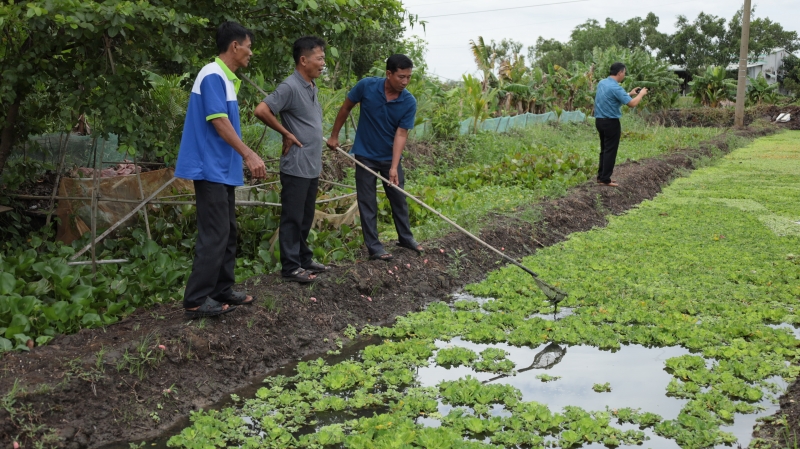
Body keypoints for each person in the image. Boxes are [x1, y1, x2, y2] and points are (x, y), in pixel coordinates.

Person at [174, 22, 266, 318]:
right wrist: (249, 154)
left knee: (227, 232)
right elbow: (218, 121)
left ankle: (221, 290)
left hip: (222, 169)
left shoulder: (226, 79)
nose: (251, 53)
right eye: (249, 47)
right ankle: (196, 300)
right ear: (235, 46)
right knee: (214, 234)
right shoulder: (212, 74)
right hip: (209, 167)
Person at [327, 54, 421, 261]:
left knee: (398, 198)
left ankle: (405, 238)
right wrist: (334, 135)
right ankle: (375, 247)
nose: (405, 82)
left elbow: (401, 134)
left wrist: (394, 167)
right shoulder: (366, 86)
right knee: (367, 202)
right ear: (389, 74)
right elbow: (346, 108)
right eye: (401, 77)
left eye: (409, 77)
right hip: (365, 155)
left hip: (390, 157)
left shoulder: (408, 101)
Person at [254, 36, 329, 283]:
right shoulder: (290, 86)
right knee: (293, 217)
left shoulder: (310, 87)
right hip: (296, 164)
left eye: (323, 58)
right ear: (303, 59)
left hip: (311, 165)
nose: (323, 63)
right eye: (319, 58)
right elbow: (262, 110)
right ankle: (290, 267)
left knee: (306, 216)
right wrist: (285, 132)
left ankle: (304, 258)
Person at [593, 62, 648, 187]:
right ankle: (606, 179)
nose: (624, 75)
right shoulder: (616, 87)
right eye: (624, 72)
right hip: (611, 122)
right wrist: (641, 94)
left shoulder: (602, 83)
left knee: (604, 149)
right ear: (620, 73)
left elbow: (612, 99)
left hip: (599, 121)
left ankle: (601, 177)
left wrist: (629, 94)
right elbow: (632, 104)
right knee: (610, 150)